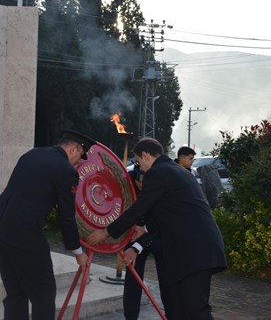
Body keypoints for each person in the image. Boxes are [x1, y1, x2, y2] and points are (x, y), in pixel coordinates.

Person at [87, 137, 227, 320]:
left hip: (195, 251)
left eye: (138, 161)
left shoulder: (158, 172)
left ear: (145, 155)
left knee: (195, 310)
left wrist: (106, 232)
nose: (140, 168)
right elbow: (169, 209)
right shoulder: (176, 170)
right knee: (178, 309)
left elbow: (139, 208)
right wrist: (144, 230)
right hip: (192, 250)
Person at [0, 130, 97, 320]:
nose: (77, 163)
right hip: (26, 235)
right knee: (43, 296)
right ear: (74, 149)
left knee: (15, 294)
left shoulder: (32, 154)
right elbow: (66, 216)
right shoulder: (66, 171)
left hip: (0, 228)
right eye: (79, 158)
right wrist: (78, 252)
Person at [122, 162, 173, 320]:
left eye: (145, 183)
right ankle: (130, 317)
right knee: (133, 279)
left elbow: (160, 221)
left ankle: (171, 315)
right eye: (139, 182)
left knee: (166, 280)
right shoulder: (127, 181)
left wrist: (138, 245)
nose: (141, 185)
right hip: (135, 232)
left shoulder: (161, 184)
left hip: (158, 233)